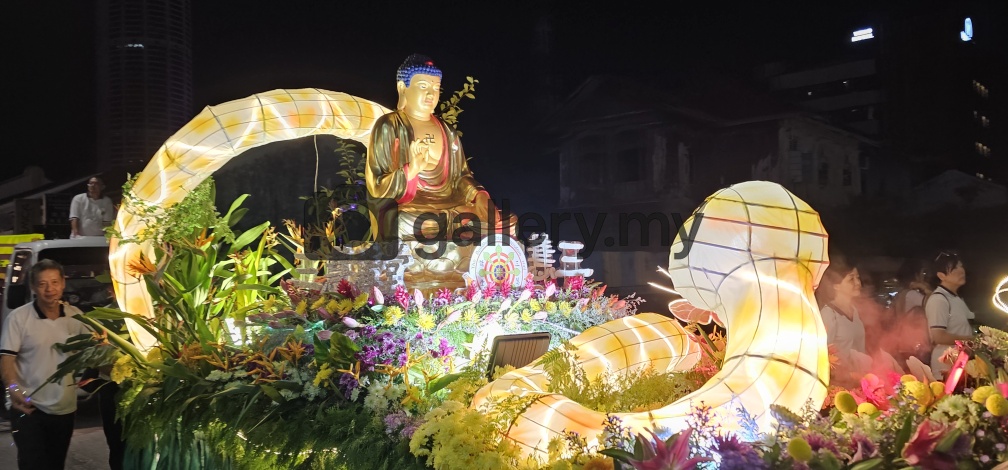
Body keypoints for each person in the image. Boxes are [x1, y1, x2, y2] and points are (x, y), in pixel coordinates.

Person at [365, 54, 515, 291]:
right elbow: (376, 184)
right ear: (402, 88)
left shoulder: (448, 131)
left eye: (436, 88)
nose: (431, 94)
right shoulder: (389, 125)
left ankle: (478, 270)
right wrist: (411, 169)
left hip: (450, 207)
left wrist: (478, 196)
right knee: (402, 222)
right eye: (423, 86)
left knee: (502, 222)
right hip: (411, 208)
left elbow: (461, 177)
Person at [1, 259, 91, 469]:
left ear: (63, 283)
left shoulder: (76, 318)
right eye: (42, 284)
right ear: (33, 287)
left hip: (64, 408)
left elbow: (94, 351)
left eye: (54, 282)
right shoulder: (19, 318)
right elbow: (6, 358)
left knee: (55, 463)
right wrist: (13, 389)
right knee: (32, 463)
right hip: (27, 406)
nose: (49, 289)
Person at [816, 256, 903, 386]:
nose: (858, 283)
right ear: (836, 285)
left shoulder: (855, 311)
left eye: (857, 277)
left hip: (860, 379)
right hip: (840, 383)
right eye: (851, 279)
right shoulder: (829, 314)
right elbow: (822, 354)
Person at [925, 251, 975, 378]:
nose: (961, 271)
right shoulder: (939, 299)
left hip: (962, 363)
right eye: (954, 268)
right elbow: (939, 337)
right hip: (946, 366)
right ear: (941, 275)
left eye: (961, 266)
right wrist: (973, 341)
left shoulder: (956, 298)